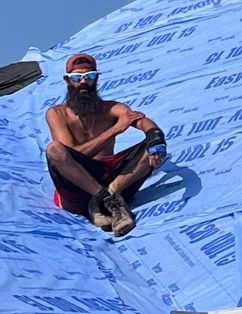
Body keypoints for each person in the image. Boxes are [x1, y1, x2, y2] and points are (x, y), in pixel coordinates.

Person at [43, 52, 166, 237]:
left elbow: (143, 121)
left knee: (152, 146)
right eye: (76, 77)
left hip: (114, 181)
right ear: (67, 81)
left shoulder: (112, 108)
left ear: (97, 78)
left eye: (89, 76)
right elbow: (69, 155)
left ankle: (105, 200)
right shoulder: (57, 113)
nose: (83, 82)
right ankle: (107, 199)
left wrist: (156, 138)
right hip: (77, 186)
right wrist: (115, 129)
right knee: (54, 150)